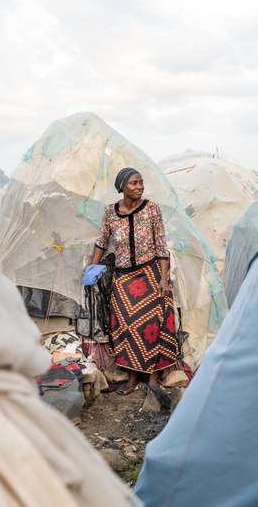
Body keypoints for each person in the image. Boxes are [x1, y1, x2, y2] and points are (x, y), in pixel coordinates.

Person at [87, 167, 179, 395]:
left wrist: (163, 279)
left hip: (150, 275)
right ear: (122, 188)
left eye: (141, 182)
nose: (140, 187)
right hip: (123, 277)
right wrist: (92, 268)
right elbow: (102, 241)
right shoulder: (110, 212)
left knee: (151, 325)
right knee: (126, 328)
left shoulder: (151, 209)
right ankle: (133, 376)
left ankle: (153, 377)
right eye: (134, 183)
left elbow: (160, 245)